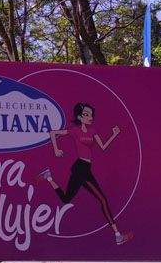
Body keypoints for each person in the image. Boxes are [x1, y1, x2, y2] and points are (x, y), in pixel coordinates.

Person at [39, 102, 132, 245]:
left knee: (66, 199)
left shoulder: (92, 131)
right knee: (102, 200)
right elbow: (53, 133)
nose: (90, 117)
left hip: (85, 168)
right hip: (80, 168)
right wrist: (56, 149)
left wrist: (114, 134)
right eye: (86, 114)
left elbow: (103, 147)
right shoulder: (75, 130)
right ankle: (117, 235)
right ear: (79, 117)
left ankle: (48, 177)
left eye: (91, 114)